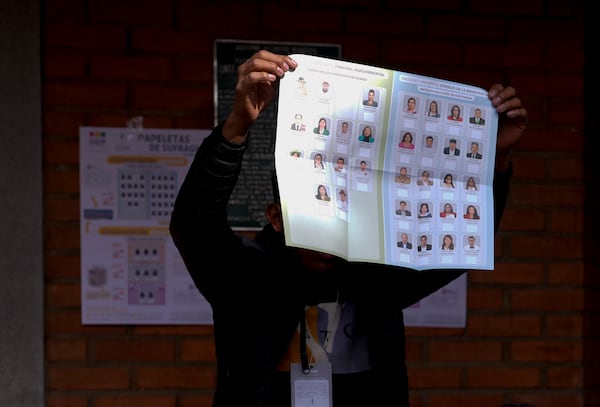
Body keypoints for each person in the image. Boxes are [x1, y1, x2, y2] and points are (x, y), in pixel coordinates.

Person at [169, 50, 527, 407]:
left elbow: (460, 244)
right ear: (276, 218)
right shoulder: (246, 276)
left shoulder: (378, 278)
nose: (330, 225)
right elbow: (193, 224)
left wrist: (494, 161)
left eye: (343, 206)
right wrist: (236, 126)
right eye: (316, 206)